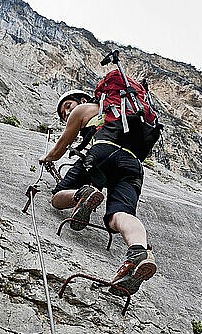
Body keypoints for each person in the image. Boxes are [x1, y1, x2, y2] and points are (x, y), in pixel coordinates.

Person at [39, 89, 156, 296]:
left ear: (82, 100)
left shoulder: (84, 110)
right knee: (119, 216)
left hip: (102, 153)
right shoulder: (127, 113)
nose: (66, 114)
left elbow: (59, 149)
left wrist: (46, 159)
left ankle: (82, 195)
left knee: (57, 197)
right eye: (63, 114)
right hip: (133, 164)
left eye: (67, 106)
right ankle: (139, 251)